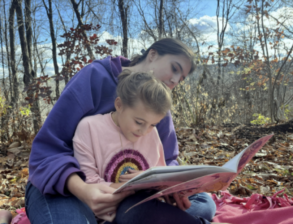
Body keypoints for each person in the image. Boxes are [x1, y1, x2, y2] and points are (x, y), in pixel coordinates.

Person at [25, 38, 218, 223]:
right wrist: (84, 190)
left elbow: (168, 159)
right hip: (66, 185)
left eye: (181, 78)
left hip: (130, 198)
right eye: (174, 68)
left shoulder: (159, 105)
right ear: (153, 54)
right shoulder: (94, 77)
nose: (175, 80)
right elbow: (46, 151)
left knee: (203, 203)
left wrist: (172, 185)